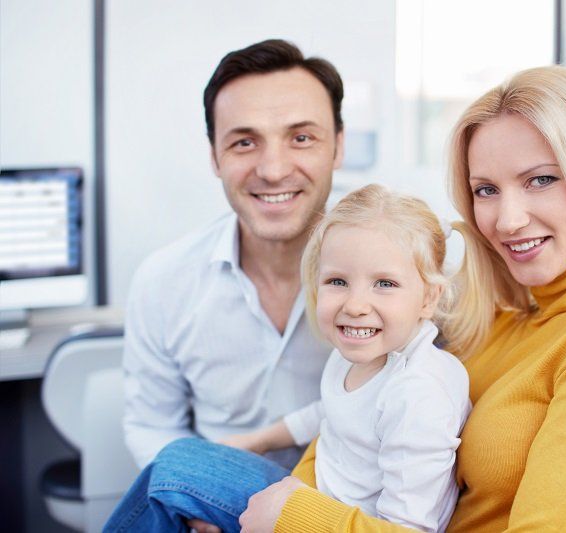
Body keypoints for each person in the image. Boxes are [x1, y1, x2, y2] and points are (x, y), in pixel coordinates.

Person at [117, 65, 566, 533]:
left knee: (176, 470)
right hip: (343, 509)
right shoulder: (513, 309)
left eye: (541, 179)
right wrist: (287, 498)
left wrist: (294, 516)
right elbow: (354, 422)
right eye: (486, 190)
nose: (507, 218)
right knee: (178, 473)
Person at [106, 184, 475, 532]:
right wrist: (257, 441)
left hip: (315, 519)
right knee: (177, 466)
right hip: (307, 494)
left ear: (429, 298)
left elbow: (407, 528)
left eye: (385, 284)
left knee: (175, 468)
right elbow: (329, 412)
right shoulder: (358, 356)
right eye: (338, 281)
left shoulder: (419, 394)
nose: (356, 306)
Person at [122, 38, 345, 471]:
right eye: (244, 143)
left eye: (301, 138)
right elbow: (151, 425)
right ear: (214, 157)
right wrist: (198, 493)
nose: (274, 169)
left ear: (337, 146)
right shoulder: (163, 281)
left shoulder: (405, 272)